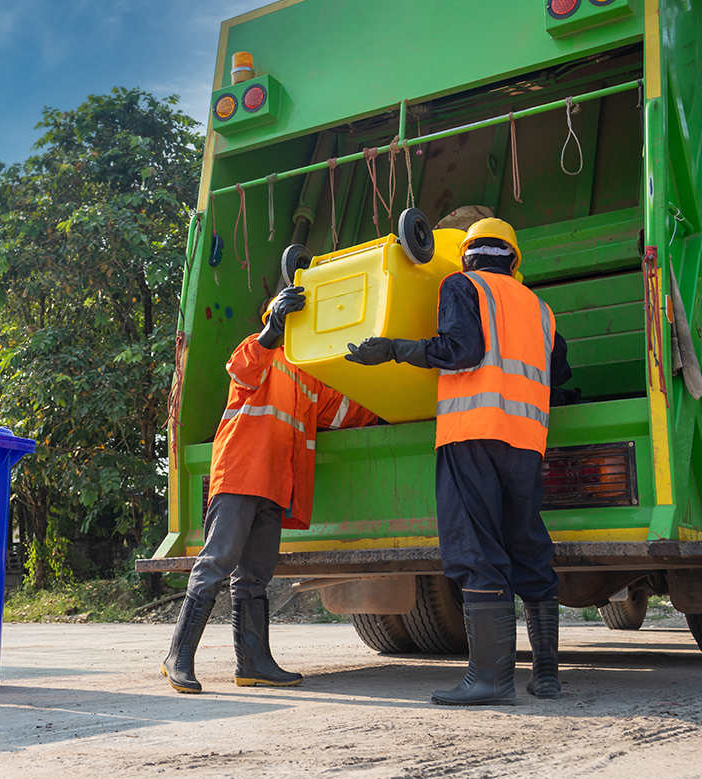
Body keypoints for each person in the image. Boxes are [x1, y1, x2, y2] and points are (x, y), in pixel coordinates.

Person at [345, 217, 571, 706]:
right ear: (514, 260)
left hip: (471, 434)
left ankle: (489, 679)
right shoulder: (540, 308)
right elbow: (559, 370)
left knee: (477, 551)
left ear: (468, 255)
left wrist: (395, 349)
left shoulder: (461, 285)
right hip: (526, 440)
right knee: (528, 546)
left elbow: (461, 350)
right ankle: (547, 674)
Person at [163, 284, 379, 693]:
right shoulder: (258, 352)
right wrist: (269, 331)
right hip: (242, 475)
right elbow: (242, 367)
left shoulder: (309, 377)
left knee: (255, 575)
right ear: (275, 319)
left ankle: (254, 665)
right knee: (217, 561)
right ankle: (178, 657)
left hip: (275, 485)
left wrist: (387, 397)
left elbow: (348, 410)